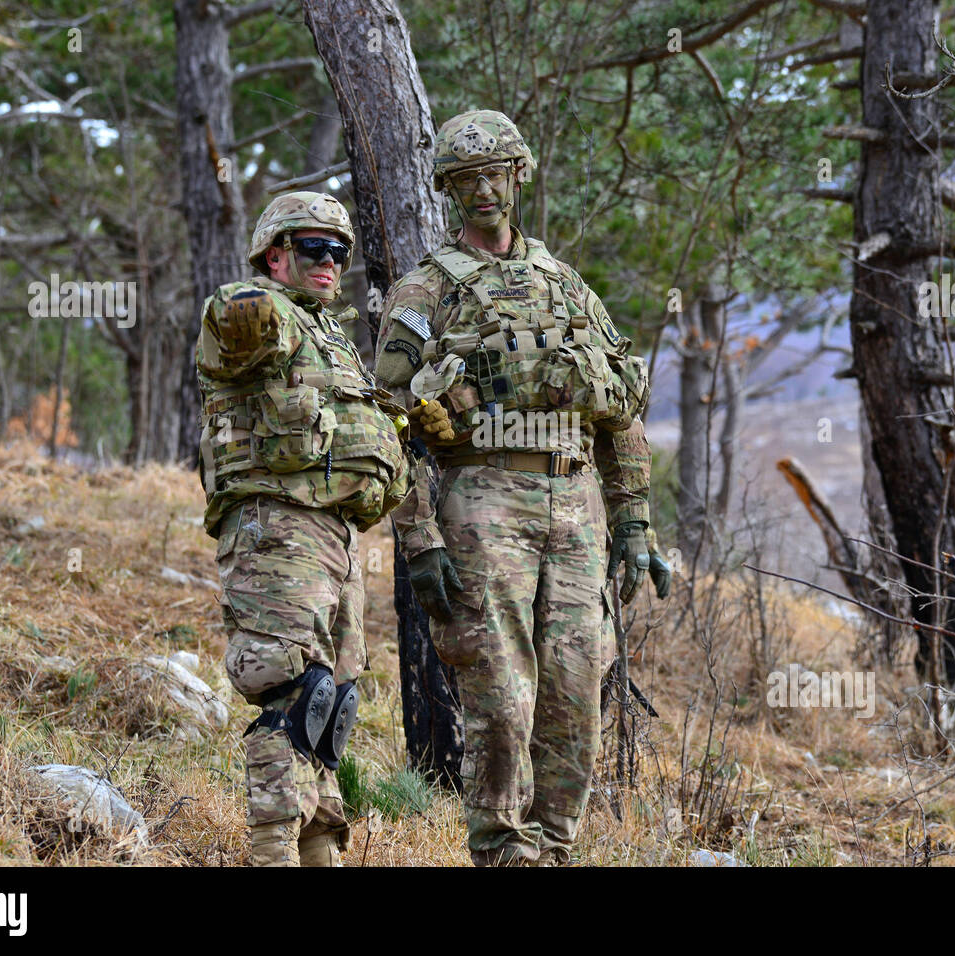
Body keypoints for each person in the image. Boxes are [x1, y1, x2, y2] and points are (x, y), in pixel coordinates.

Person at [372, 110, 653, 865]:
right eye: (466, 181)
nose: (483, 191)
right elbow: (385, 424)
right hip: (481, 500)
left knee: (573, 695)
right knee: (500, 699)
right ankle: (503, 849)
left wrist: (634, 519)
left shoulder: (567, 286)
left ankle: (556, 850)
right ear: (448, 191)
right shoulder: (425, 291)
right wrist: (419, 536)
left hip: (575, 500)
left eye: (495, 174)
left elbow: (618, 406)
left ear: (519, 176)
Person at [195, 191, 410, 866]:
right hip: (275, 530)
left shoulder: (334, 341)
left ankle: (319, 854)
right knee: (289, 694)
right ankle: (271, 854)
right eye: (313, 248)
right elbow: (233, 318)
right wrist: (257, 297)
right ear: (276, 254)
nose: (330, 262)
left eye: (338, 251)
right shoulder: (263, 315)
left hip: (336, 539)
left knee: (329, 710)